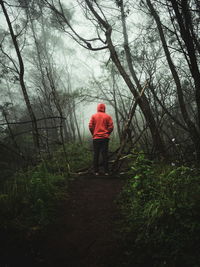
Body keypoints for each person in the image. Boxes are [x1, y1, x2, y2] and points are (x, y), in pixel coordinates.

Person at [89, 103, 114, 175]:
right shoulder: (108, 116)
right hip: (105, 138)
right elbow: (111, 127)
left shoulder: (94, 116)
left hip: (96, 138)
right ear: (104, 108)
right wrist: (107, 134)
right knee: (105, 154)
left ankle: (96, 171)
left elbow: (90, 126)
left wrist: (94, 134)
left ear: (97, 108)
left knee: (96, 154)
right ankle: (106, 171)